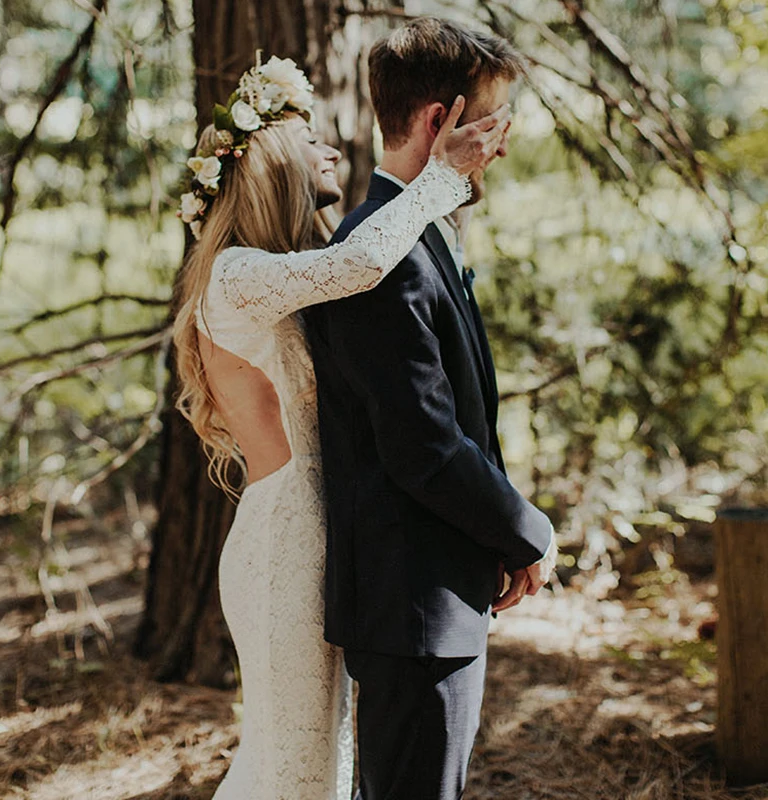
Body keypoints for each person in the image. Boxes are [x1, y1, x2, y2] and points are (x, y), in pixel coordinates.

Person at [171, 53, 511, 800]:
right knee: (292, 774)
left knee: (322, 772)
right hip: (284, 549)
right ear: (267, 164)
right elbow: (362, 261)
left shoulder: (279, 270)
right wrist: (442, 180)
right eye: (310, 139)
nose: (332, 151)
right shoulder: (233, 275)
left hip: (322, 542)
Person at [305, 18, 559, 800]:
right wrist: (526, 528)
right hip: (411, 609)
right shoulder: (380, 258)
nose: (503, 146)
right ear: (437, 122)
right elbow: (424, 445)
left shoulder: (410, 239)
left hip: (433, 597)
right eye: (492, 122)